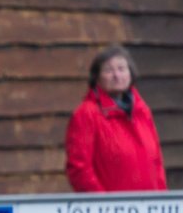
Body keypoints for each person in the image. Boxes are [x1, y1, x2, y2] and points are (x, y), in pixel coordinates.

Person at [65, 44, 166, 193]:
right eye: (108, 70)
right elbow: (79, 169)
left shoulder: (142, 111)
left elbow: (157, 164)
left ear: (130, 73)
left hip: (149, 210)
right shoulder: (86, 114)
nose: (117, 75)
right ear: (97, 78)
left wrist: (162, 200)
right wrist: (105, 205)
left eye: (121, 68)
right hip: (111, 212)